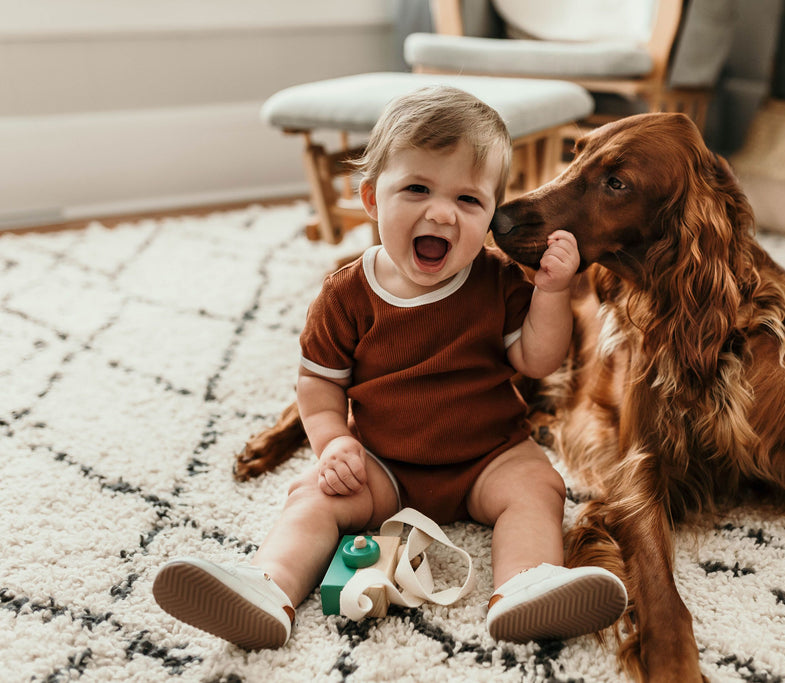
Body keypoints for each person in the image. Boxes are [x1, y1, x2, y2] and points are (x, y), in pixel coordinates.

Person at [153, 86, 627, 650]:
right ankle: (267, 586)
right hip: (383, 465)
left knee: (539, 485)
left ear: (491, 216)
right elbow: (317, 384)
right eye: (418, 189)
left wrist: (551, 293)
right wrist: (332, 444)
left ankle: (525, 586)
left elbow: (536, 358)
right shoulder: (347, 294)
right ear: (373, 199)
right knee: (313, 496)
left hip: (489, 456)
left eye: (469, 201)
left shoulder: (496, 279)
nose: (442, 212)